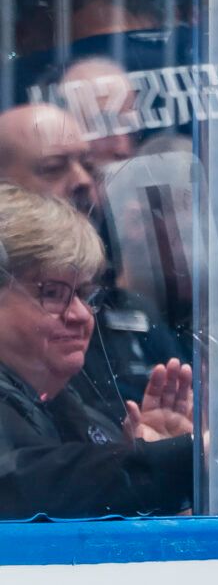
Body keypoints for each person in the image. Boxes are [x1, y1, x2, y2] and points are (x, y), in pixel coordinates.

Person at [0, 184, 218, 517]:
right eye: (53, 293)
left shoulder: (73, 411)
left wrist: (159, 467)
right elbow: (22, 485)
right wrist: (207, 452)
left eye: (85, 295)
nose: (80, 315)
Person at [0, 102, 183, 412]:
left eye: (88, 165)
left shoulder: (129, 308)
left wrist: (155, 445)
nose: (83, 180)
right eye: (54, 167)